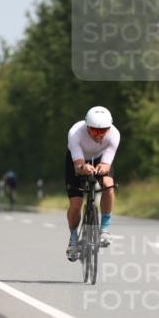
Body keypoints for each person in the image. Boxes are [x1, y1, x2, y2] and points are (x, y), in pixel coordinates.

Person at [65, 106, 119, 261]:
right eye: (95, 131)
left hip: (101, 157)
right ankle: (74, 238)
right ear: (87, 127)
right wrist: (83, 167)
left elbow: (107, 164)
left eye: (103, 131)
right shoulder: (75, 133)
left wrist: (103, 167)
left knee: (108, 185)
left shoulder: (114, 134)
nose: (99, 135)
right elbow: (78, 165)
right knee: (76, 203)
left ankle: (104, 229)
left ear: (109, 128)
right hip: (78, 159)